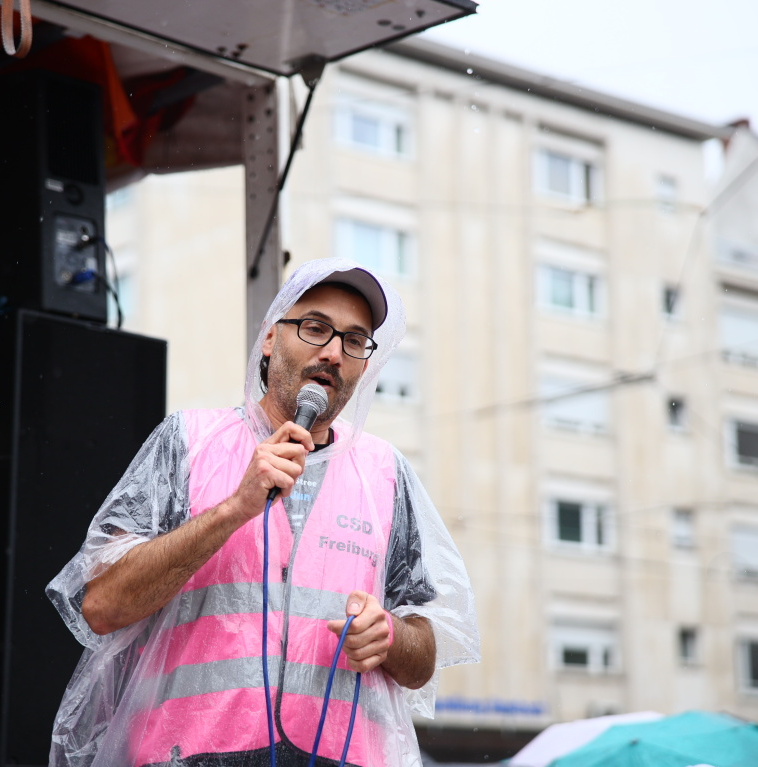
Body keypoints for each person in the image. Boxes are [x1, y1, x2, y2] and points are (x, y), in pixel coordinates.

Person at [47, 258, 480, 767]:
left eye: (355, 341)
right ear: (271, 338)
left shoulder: (385, 472)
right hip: (189, 754)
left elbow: (420, 660)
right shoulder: (189, 442)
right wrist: (234, 509)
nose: (334, 353)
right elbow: (101, 607)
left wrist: (388, 635)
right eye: (315, 328)